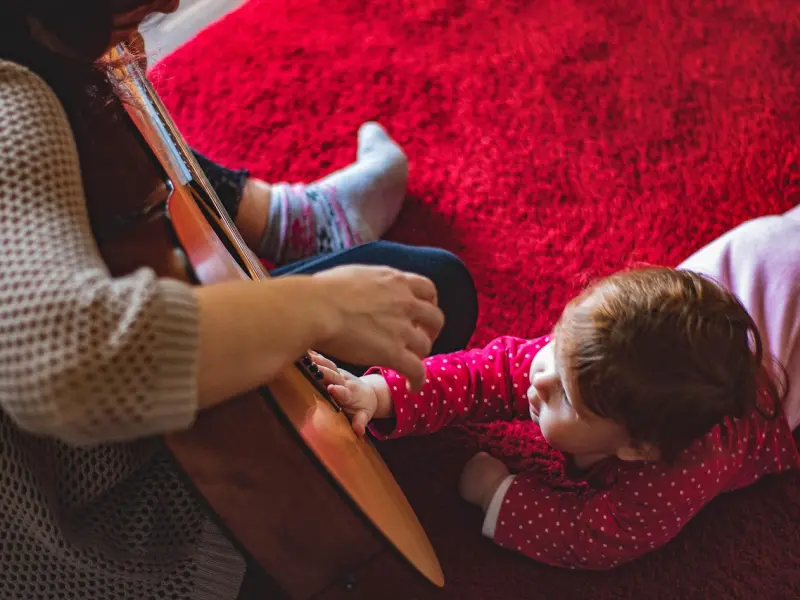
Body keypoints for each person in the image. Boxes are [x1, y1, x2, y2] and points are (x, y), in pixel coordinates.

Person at [0, 1, 478, 599]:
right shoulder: (13, 99)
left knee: (421, 291)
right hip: (107, 542)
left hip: (132, 435)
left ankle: (292, 220)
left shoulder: (38, 52)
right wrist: (318, 307)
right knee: (417, 300)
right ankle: (303, 223)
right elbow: (68, 365)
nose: (172, 6)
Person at [313, 205, 800, 571]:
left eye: (566, 396)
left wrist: (498, 495)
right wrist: (380, 394)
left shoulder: (677, 472)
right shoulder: (585, 361)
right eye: (557, 342)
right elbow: (482, 374)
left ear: (635, 449)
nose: (538, 376)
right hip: (761, 255)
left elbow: (596, 537)